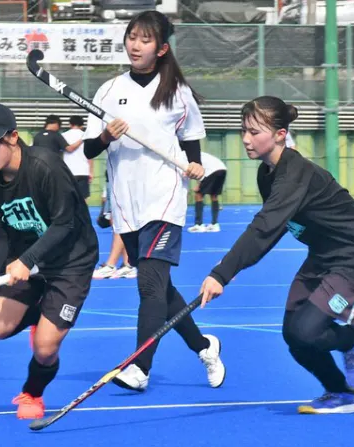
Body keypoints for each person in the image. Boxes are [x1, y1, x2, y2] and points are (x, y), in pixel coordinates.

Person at [199, 96, 354, 414]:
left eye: (254, 132)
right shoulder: (266, 174)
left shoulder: (295, 173)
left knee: (307, 332)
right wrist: (231, 265)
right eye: (244, 130)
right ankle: (342, 394)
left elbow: (264, 227)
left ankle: (351, 338)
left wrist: (223, 273)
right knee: (293, 335)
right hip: (322, 257)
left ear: (280, 134)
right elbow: (274, 227)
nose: (246, 139)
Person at [82, 10, 226, 392]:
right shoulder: (108, 91)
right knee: (161, 289)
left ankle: (139, 367)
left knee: (148, 286)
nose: (135, 45)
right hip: (125, 204)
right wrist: (107, 137)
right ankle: (204, 346)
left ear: (161, 49)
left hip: (164, 199)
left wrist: (195, 164)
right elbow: (90, 149)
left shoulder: (177, 92)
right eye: (131, 37)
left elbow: (191, 139)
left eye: (144, 40)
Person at [0, 102, 99, 419]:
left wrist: (27, 260)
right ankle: (41, 312)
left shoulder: (45, 166)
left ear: (13, 137)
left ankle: (33, 392)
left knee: (45, 347)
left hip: (70, 261)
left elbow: (64, 224)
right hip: (25, 258)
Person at [188, 152, 227, 233]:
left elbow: (199, 170)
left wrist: (198, 185)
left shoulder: (189, 156)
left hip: (211, 171)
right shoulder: (197, 152)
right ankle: (214, 225)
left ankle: (199, 225)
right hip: (222, 169)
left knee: (198, 194)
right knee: (214, 195)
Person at [61, 115, 93, 203]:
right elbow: (90, 155)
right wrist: (91, 171)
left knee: (69, 199)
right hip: (83, 171)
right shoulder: (86, 136)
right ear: (82, 125)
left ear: (70, 124)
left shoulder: (63, 136)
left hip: (68, 171)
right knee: (83, 200)